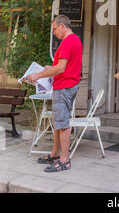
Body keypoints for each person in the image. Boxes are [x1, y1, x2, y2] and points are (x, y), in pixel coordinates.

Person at [27, 15, 82, 172]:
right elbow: (62, 66)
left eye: (55, 28)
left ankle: (64, 160)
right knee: (59, 122)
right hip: (68, 85)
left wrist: (38, 75)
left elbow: (60, 68)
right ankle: (55, 153)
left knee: (62, 124)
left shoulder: (67, 41)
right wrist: (48, 69)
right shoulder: (75, 40)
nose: (54, 32)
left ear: (62, 25)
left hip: (64, 87)